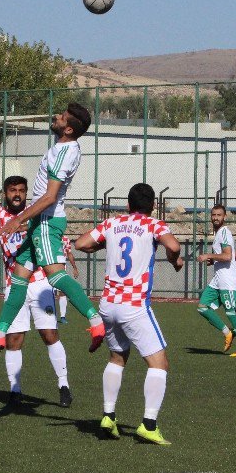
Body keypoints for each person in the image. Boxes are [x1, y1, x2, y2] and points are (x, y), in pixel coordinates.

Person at [0, 103, 106, 353]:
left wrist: (17, 220)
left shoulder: (64, 153)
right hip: (39, 220)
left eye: (62, 117)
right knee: (19, 275)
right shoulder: (65, 147)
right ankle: (0, 334)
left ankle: (96, 322)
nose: (56, 117)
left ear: (69, 129)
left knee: (55, 275)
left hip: (45, 220)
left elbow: (50, 196)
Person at [75, 183, 183, 445]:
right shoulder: (154, 224)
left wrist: (105, 246)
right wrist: (172, 258)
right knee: (159, 364)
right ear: (153, 205)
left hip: (108, 305)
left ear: (127, 204)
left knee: (117, 357)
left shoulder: (113, 223)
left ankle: (108, 416)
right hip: (134, 305)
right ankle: (148, 424)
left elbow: (81, 243)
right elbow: (175, 245)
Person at [0, 163, 72, 408]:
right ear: (5, 193)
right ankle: (15, 390)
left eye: (21, 190)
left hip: (40, 284)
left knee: (50, 335)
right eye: (13, 190)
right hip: (14, 286)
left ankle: (63, 385)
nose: (17, 194)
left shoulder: (36, 213)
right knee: (13, 340)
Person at [196, 205, 236, 357]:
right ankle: (227, 333)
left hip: (227, 280)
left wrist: (208, 255)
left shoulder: (225, 232)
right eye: (213, 215)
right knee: (202, 306)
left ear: (225, 216)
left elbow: (228, 256)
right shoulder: (219, 234)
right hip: (218, 280)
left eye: (219, 215)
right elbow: (229, 256)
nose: (215, 217)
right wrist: (213, 260)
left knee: (231, 313)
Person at [57, 235, 79, 325]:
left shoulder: (65, 239)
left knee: (62, 292)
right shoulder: (47, 235)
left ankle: (62, 316)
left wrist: (75, 267)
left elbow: (69, 253)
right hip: (46, 267)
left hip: (61, 267)